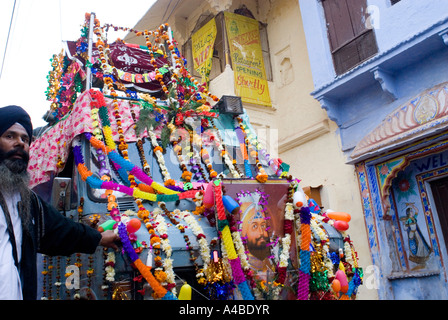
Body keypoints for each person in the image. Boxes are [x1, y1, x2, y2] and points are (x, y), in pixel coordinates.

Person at [0, 105, 120, 300]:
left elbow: (59, 230)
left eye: (25, 139)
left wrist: (98, 238)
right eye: (10, 136)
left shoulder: (26, 201)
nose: (20, 144)